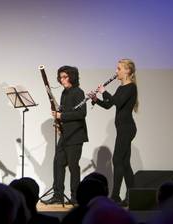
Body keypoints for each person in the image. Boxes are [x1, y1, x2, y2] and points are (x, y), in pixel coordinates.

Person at [88, 59, 138, 205]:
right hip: (122, 129)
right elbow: (109, 105)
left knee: (117, 160)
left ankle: (115, 196)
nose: (116, 72)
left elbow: (118, 102)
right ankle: (131, 197)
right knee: (125, 163)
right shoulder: (121, 88)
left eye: (119, 69)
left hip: (127, 128)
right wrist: (96, 99)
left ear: (127, 71)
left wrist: (104, 91)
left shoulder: (131, 87)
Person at [44, 66, 88, 205]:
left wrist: (61, 115)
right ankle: (58, 195)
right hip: (65, 134)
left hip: (76, 135)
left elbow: (81, 114)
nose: (62, 80)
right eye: (60, 77)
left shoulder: (78, 92)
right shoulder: (64, 93)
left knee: (73, 166)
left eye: (65, 77)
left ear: (72, 77)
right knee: (58, 163)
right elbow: (64, 111)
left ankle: (75, 197)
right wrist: (58, 121)